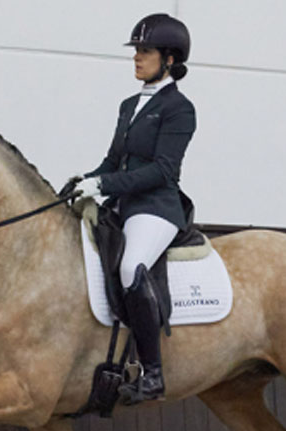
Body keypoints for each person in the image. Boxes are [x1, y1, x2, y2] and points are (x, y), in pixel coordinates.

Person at [73, 13, 196, 404]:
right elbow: (113, 160)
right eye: (136, 51)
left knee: (131, 267)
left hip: (157, 208)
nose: (136, 58)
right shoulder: (129, 105)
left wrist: (104, 185)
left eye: (145, 51)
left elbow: (162, 170)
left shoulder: (180, 109)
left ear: (170, 59)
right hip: (124, 205)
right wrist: (85, 182)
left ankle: (152, 373)